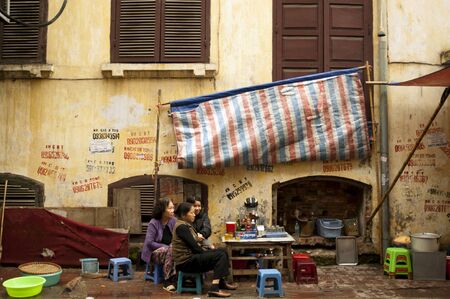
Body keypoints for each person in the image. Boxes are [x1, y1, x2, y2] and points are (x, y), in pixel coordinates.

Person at [172, 202, 237, 297]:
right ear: (183, 215)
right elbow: (195, 248)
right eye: (192, 212)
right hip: (186, 262)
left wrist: (209, 250)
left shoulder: (185, 225)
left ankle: (221, 282)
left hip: (191, 258)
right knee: (220, 255)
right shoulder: (181, 227)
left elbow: (193, 243)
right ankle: (214, 288)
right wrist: (208, 253)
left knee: (222, 250)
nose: (194, 214)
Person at [141, 197, 177, 292]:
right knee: (170, 249)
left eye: (173, 208)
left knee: (174, 249)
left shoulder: (173, 221)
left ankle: (174, 277)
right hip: (153, 253)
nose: (172, 210)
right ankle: (167, 281)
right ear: (162, 209)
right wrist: (166, 246)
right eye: (169, 208)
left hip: (169, 252)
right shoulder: (153, 223)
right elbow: (149, 243)